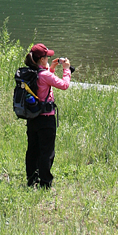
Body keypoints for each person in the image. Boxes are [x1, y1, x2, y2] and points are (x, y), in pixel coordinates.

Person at [24, 43, 71, 188]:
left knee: (33, 149)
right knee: (47, 151)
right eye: (47, 57)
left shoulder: (30, 72)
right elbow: (64, 85)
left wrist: (52, 68)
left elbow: (43, 83)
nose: (49, 58)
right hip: (46, 119)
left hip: (33, 117)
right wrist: (66, 70)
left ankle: (32, 179)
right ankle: (45, 183)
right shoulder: (45, 75)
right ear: (42, 59)